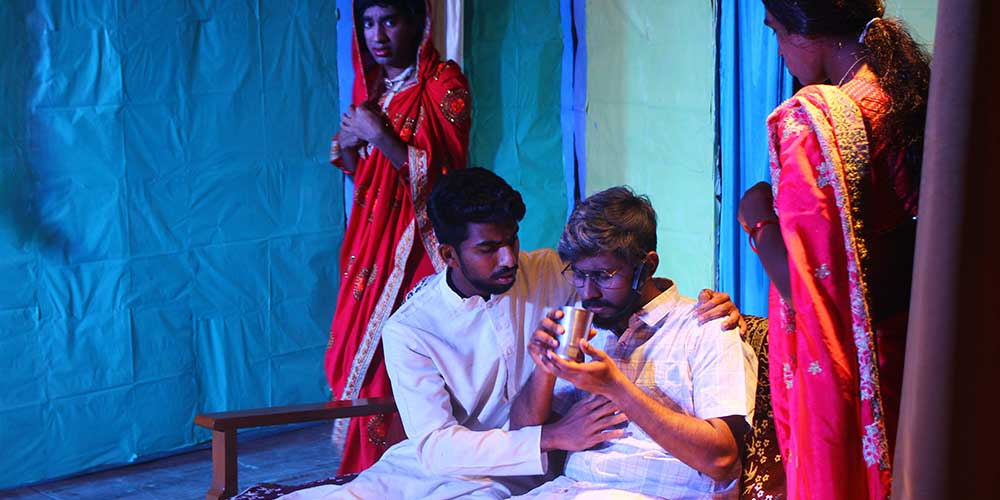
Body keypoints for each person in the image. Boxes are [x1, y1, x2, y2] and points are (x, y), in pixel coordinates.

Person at [284, 169, 742, 499]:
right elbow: (438, 447)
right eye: (488, 248)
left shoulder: (553, 272)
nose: (508, 259)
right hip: (459, 459)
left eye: (512, 240)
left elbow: (627, 279)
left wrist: (711, 305)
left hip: (537, 473)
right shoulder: (411, 329)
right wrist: (553, 431)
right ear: (448, 254)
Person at [737, 1, 930, 498]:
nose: (780, 53)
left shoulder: (814, 121)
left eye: (777, 33)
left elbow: (811, 293)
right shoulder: (900, 93)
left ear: (808, 30)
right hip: (915, 348)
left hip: (856, 369)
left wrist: (758, 220)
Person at [511, 187, 758, 499]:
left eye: (604, 275)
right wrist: (544, 367)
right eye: (579, 274)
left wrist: (616, 387)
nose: (588, 293)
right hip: (568, 490)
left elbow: (721, 460)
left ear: (647, 266)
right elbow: (521, 436)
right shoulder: (587, 328)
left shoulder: (705, 325)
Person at [325, 0, 472, 474]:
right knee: (359, 356)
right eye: (368, 23)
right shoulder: (375, 90)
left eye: (389, 20)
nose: (378, 35)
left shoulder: (444, 85)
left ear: (418, 23)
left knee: (400, 359)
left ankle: (413, 471)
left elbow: (446, 180)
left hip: (420, 250)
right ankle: (366, 474)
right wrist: (353, 146)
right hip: (371, 248)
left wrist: (379, 135)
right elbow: (366, 177)